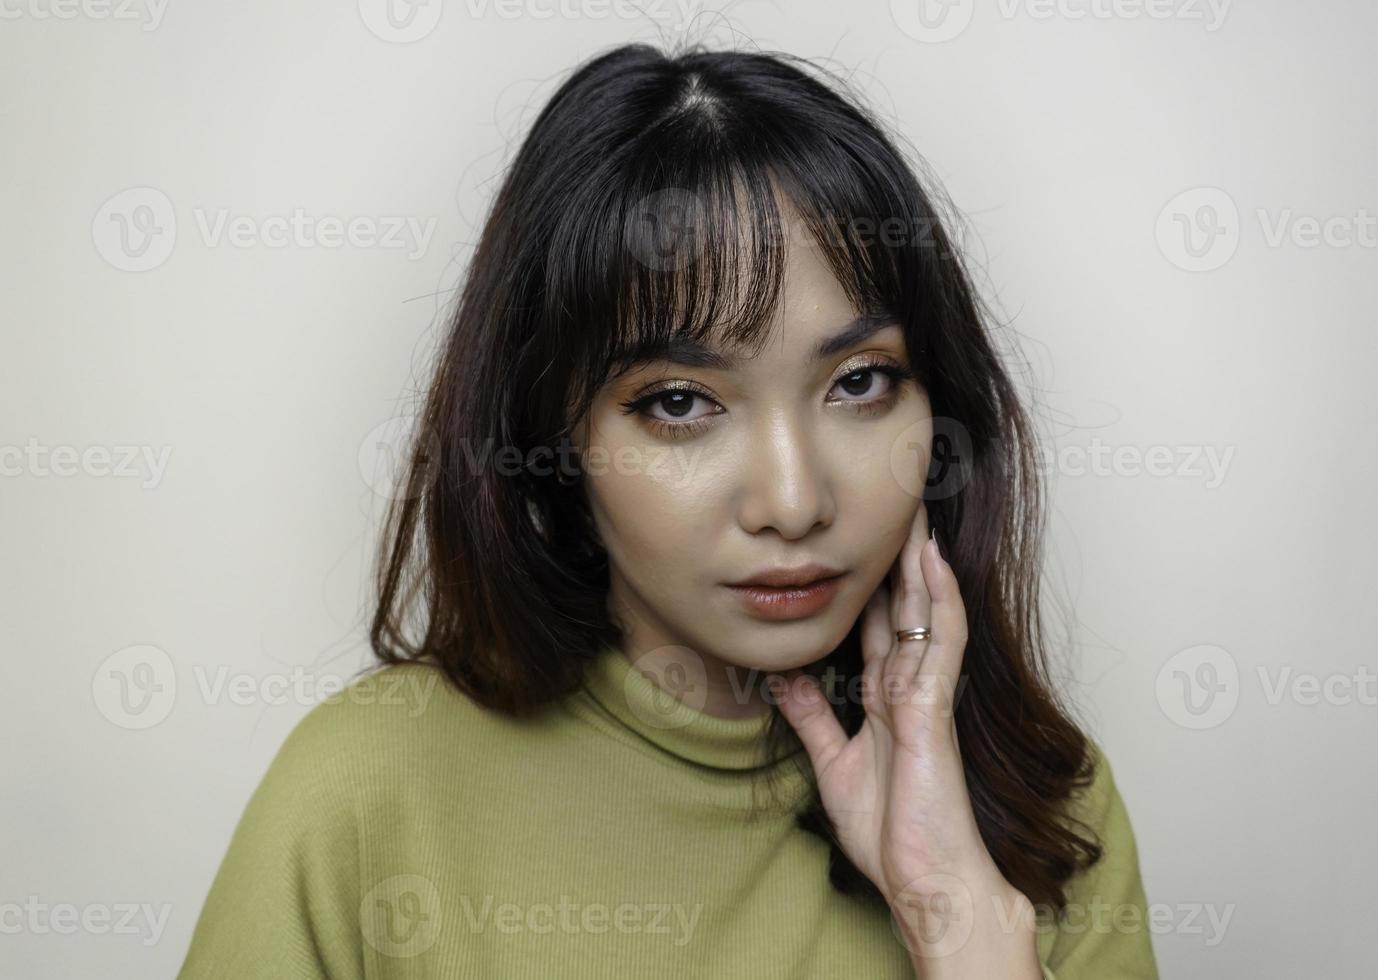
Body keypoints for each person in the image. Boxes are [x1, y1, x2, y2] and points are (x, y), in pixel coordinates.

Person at [178, 41, 1160, 979]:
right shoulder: (364, 795)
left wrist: (955, 908)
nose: (794, 500)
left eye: (859, 382)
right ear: (553, 433)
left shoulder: (1044, 809)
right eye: (682, 401)